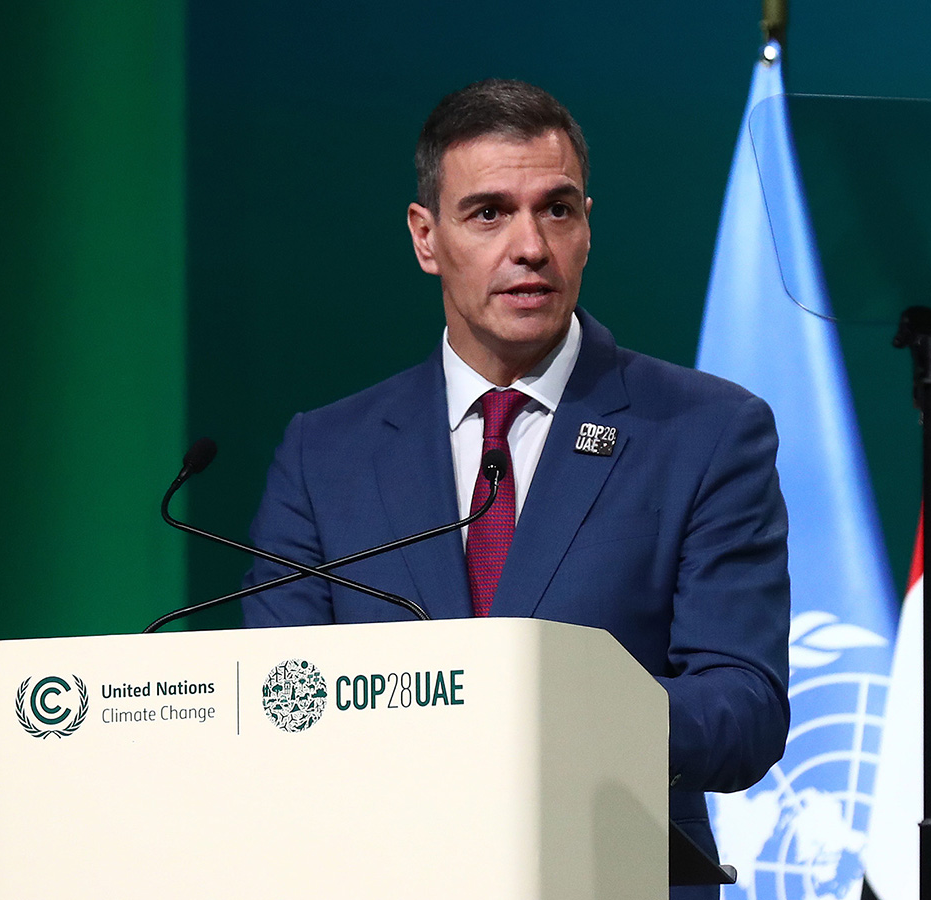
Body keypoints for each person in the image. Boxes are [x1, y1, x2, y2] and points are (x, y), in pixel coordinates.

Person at [242, 78, 790, 898]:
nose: (530, 245)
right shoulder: (326, 455)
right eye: (489, 212)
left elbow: (743, 707)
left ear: (587, 227)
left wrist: (549, 714)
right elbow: (279, 699)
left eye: (557, 210)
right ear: (426, 238)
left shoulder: (706, 432)